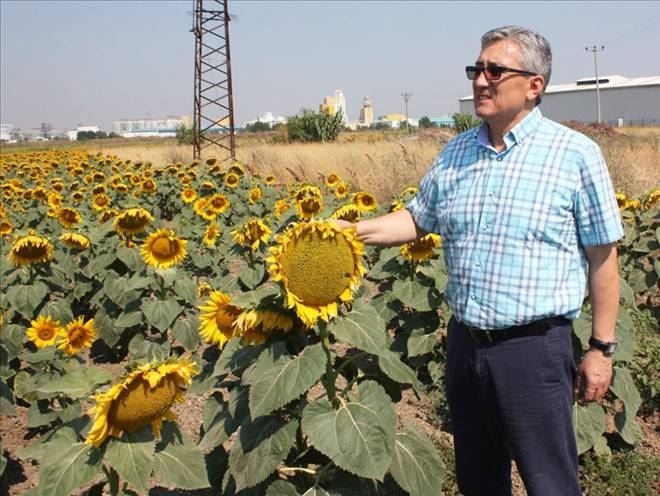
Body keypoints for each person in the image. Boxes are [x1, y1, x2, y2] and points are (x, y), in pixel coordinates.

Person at [337, 26, 623, 495]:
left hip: (533, 350)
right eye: (476, 69)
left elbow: (602, 258)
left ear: (535, 85)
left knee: (550, 481)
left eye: (495, 70)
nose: (480, 80)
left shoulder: (574, 155)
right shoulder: (457, 152)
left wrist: (600, 349)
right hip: (465, 345)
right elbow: (416, 219)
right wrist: (351, 232)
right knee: (479, 478)